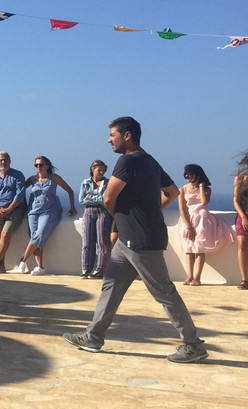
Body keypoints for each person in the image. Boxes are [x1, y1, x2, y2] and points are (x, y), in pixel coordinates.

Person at [63, 116, 208, 363]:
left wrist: (127, 219)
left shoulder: (126, 161)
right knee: (111, 285)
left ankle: (193, 345)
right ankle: (93, 336)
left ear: (127, 135)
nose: (109, 140)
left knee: (164, 291)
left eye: (112, 135)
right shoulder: (150, 161)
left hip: (139, 240)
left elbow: (108, 199)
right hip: (130, 240)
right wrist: (150, 212)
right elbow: (172, 193)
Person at [14, 156, 76, 275]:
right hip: (33, 211)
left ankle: (22, 261)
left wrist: (72, 207)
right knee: (35, 237)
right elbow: (19, 191)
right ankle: (40, 267)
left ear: (47, 166)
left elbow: (70, 191)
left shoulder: (54, 178)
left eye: (41, 164)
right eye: (36, 165)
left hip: (49, 211)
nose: (38, 167)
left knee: (39, 234)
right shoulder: (32, 179)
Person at [177, 164, 234, 286]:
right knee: (189, 249)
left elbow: (204, 202)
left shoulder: (207, 189)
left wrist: (202, 186)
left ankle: (197, 278)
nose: (187, 176)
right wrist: (188, 226)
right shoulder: (182, 189)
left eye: (190, 173)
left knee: (199, 249)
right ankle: (190, 276)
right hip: (189, 220)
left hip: (202, 220)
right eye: (186, 173)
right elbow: (182, 209)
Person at [0, 152, 27, 274]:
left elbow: (20, 195)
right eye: (0, 160)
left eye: (5, 160)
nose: (3, 162)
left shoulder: (17, 175)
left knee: (5, 234)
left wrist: (8, 209)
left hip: (14, 209)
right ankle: (0, 266)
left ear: (10, 160)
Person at [79, 160, 112, 278]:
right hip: (89, 212)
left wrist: (91, 197)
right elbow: (82, 200)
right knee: (87, 241)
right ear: (93, 170)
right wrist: (98, 198)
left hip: (103, 212)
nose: (101, 172)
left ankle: (100, 270)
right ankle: (86, 269)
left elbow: (105, 199)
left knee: (102, 241)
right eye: (99, 170)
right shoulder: (85, 183)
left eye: (103, 170)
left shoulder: (108, 183)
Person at [235, 151, 248, 290]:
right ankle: (244, 279)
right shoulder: (240, 178)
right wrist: (243, 216)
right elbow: (235, 199)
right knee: (242, 245)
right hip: (243, 214)